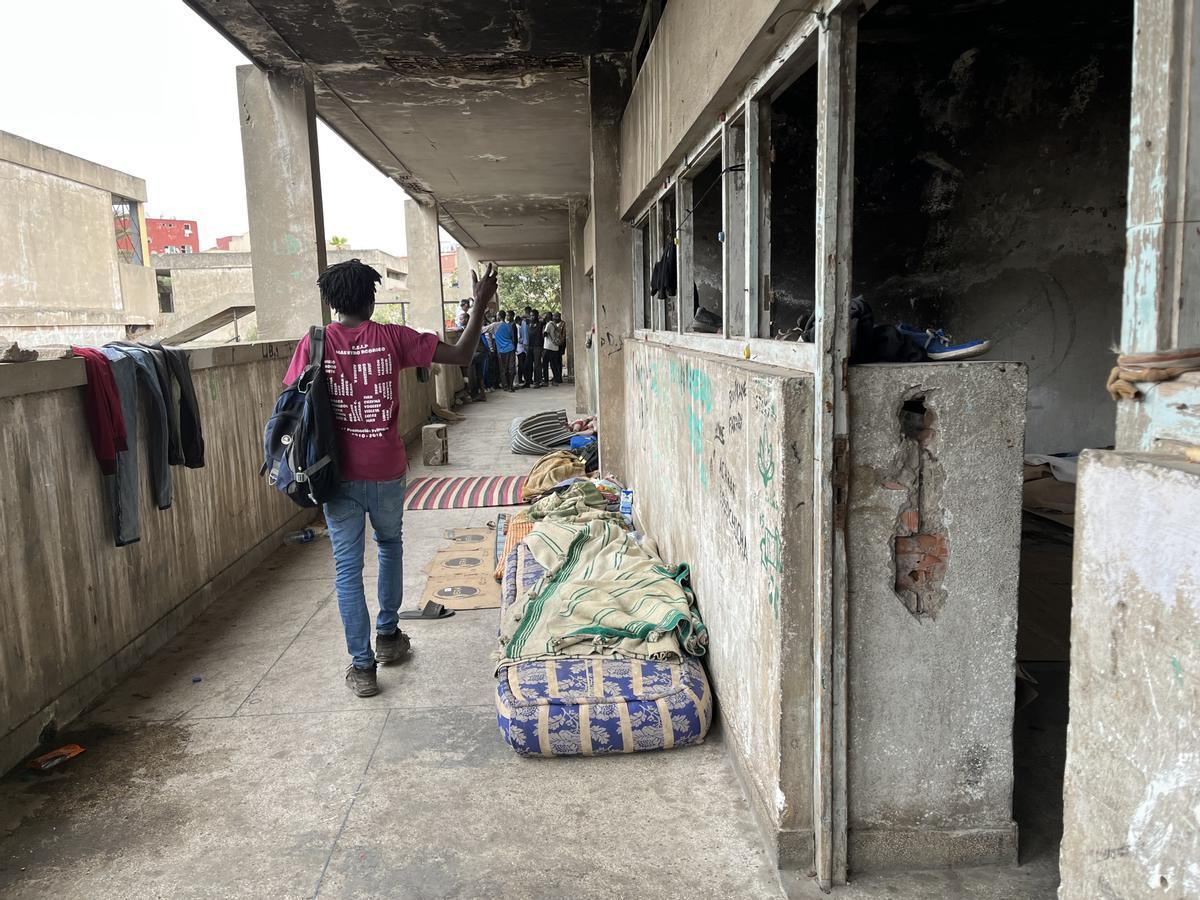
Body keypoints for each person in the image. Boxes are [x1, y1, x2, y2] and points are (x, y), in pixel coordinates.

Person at [283, 259, 498, 698]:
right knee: (389, 545)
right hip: (385, 468)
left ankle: (362, 669)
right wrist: (479, 306)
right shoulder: (391, 338)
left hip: (334, 473)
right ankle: (388, 636)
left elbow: (291, 400)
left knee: (347, 568)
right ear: (371, 298)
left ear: (331, 301)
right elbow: (460, 355)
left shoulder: (314, 342)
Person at [486, 310, 517, 391]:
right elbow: (512, 337)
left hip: (501, 350)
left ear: (499, 316)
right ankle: (511, 386)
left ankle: (505, 386)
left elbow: (483, 330)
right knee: (511, 368)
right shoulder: (509, 326)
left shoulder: (495, 325)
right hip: (510, 348)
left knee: (503, 369)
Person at [543, 311, 565, 385]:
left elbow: (545, 334)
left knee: (545, 364)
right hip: (555, 347)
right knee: (554, 365)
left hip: (548, 347)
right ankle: (557, 379)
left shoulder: (548, 324)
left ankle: (546, 381)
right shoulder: (555, 324)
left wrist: (543, 331)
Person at [526, 308, 545, 388]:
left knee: (537, 364)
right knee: (528, 364)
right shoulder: (528, 323)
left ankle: (538, 381)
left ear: (537, 316)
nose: (532, 317)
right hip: (530, 346)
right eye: (531, 315)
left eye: (533, 315)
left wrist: (539, 316)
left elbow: (545, 318)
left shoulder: (540, 324)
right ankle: (528, 381)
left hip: (538, 346)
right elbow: (521, 317)